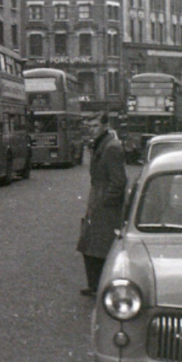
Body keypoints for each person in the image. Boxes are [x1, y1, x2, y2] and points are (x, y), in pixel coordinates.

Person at [75, 112, 127, 297]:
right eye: (90, 127)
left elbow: (119, 181)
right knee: (89, 245)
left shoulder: (111, 147)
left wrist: (106, 202)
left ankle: (101, 287)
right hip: (97, 201)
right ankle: (95, 286)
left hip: (105, 207)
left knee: (100, 247)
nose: (92, 130)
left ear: (105, 126)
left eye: (96, 126)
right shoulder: (100, 145)